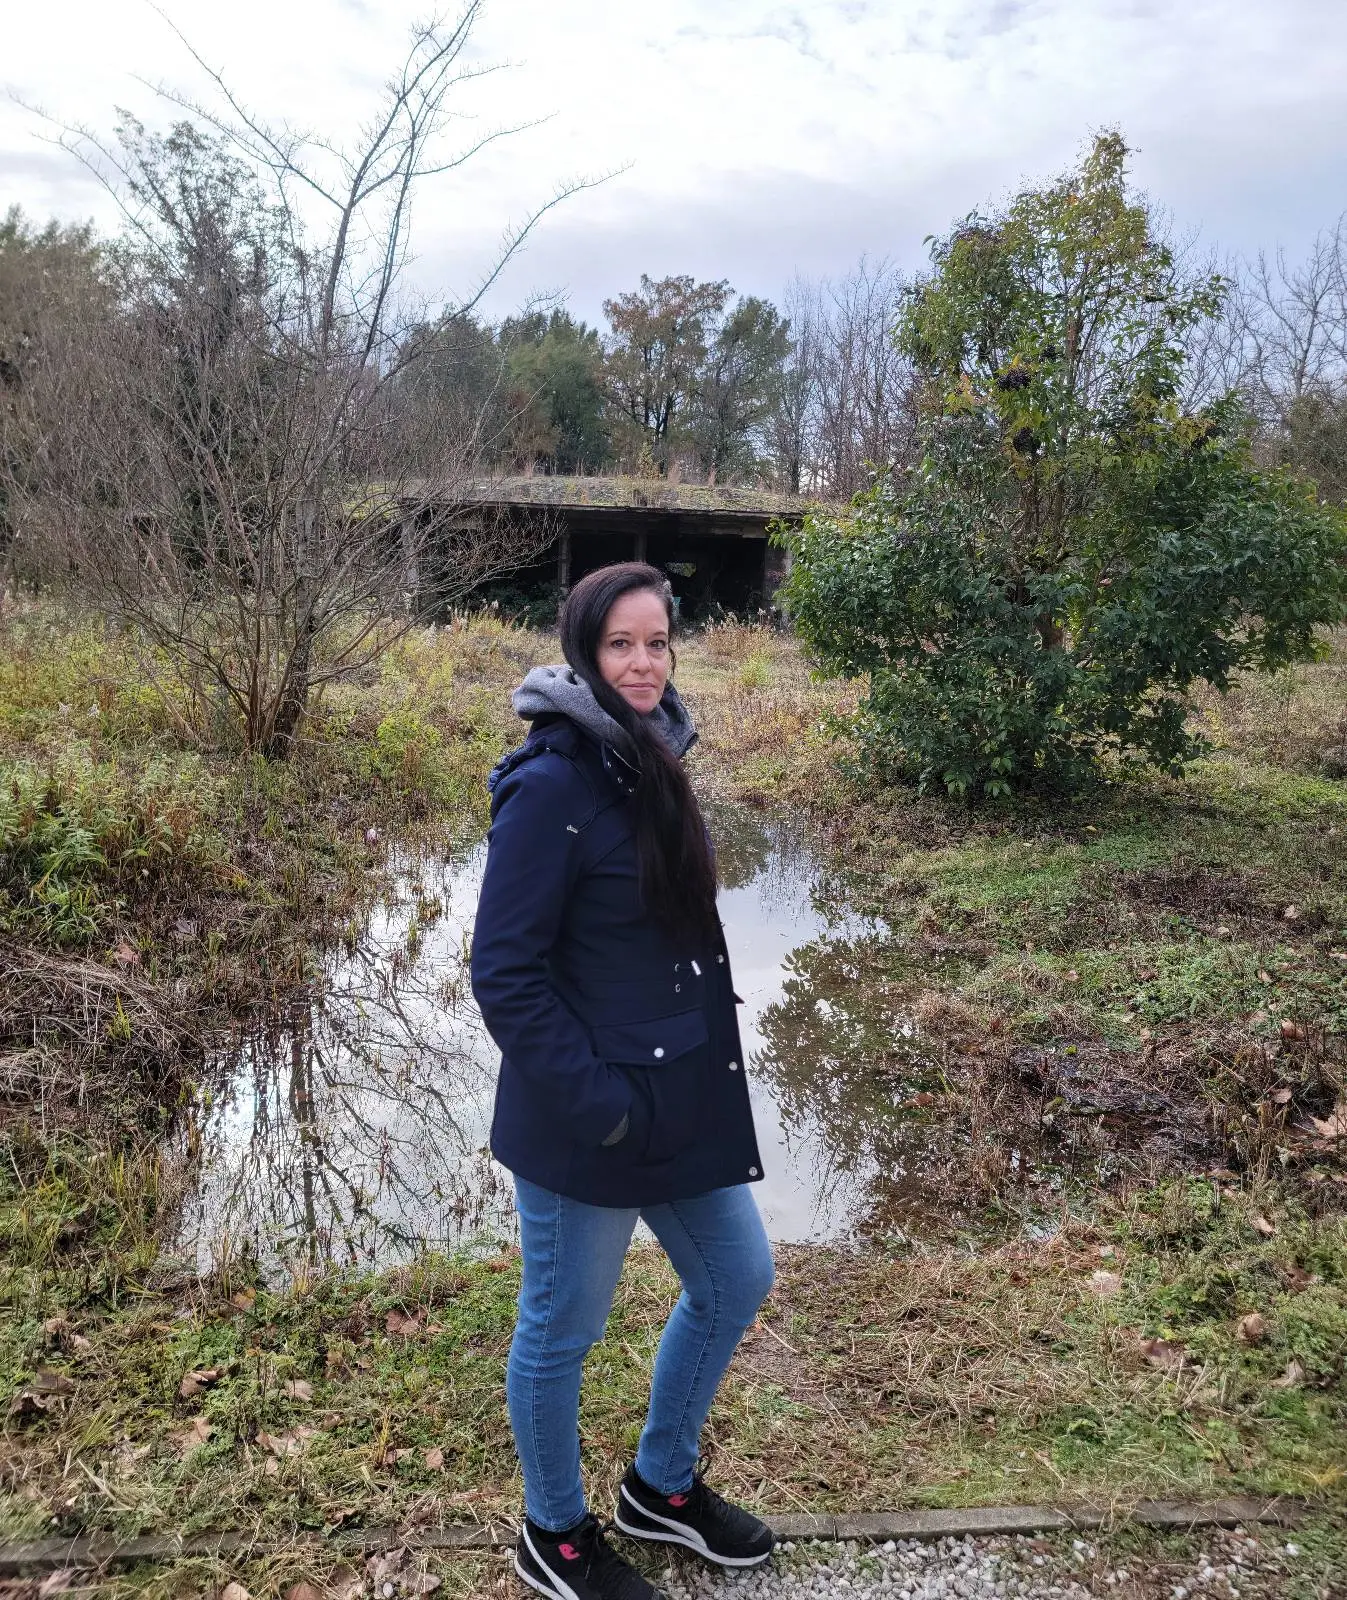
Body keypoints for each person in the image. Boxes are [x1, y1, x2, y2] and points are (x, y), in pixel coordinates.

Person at [471, 563, 777, 1600]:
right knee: (562, 1328)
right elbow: (504, 971)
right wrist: (598, 1106)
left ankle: (660, 1485)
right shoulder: (552, 780)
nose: (643, 664)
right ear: (582, 653)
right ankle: (553, 1531)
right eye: (621, 646)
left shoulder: (650, 757)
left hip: (676, 1098)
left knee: (737, 1278)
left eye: (657, 643)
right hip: (588, 1118)